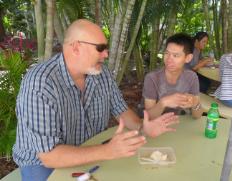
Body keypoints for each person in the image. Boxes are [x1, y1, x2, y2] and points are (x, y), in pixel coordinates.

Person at [12, 19, 178, 181]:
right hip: (42, 163)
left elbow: (121, 111)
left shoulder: (101, 74)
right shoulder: (41, 84)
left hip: (90, 148)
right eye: (100, 48)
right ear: (76, 47)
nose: (106, 54)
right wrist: (107, 151)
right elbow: (49, 156)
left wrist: (142, 127)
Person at [142, 33, 203, 120]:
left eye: (175, 55)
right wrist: (163, 102)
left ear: (188, 58)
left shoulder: (191, 77)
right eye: (167, 53)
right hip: (157, 125)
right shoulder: (152, 78)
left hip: (180, 124)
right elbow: (149, 117)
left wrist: (195, 103)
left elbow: (197, 116)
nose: (169, 59)